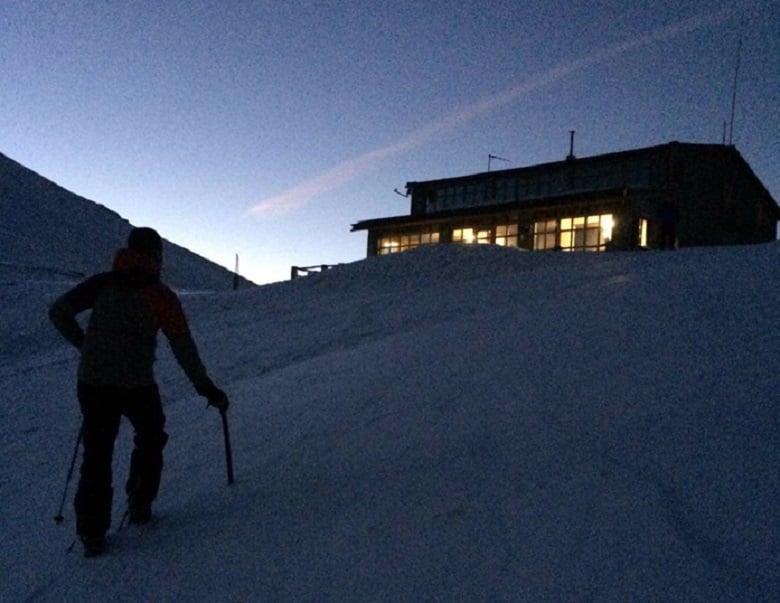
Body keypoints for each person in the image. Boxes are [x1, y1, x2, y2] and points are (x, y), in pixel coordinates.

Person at [49, 227, 228, 557]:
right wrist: (206, 388)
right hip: (136, 384)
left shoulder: (102, 283)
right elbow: (183, 348)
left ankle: (91, 533)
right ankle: (140, 501)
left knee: (97, 453)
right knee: (151, 435)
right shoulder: (160, 295)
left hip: (93, 382)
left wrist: (84, 344)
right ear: (156, 256)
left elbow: (57, 311)